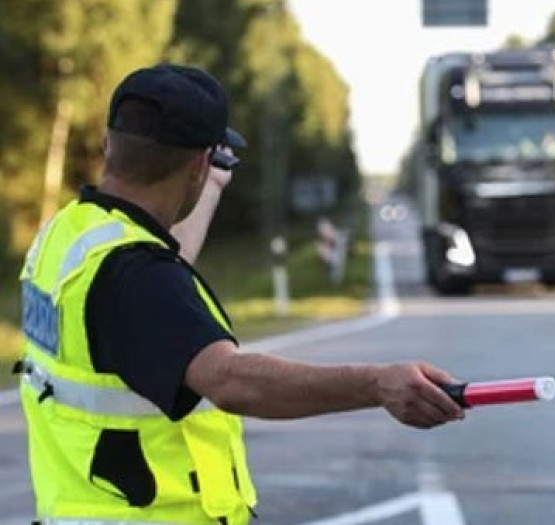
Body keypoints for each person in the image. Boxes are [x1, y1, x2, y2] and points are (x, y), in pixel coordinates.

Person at [16, 64, 465, 525]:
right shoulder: (138, 278)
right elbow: (232, 380)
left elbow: (156, 302)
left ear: (110, 144)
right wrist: (378, 384)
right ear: (197, 162)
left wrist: (208, 185)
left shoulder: (70, 236)